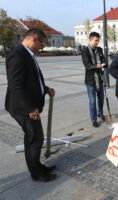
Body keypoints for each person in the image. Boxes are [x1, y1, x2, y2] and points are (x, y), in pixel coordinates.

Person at [5, 28, 56, 182]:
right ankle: (36, 173)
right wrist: (29, 108)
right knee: (34, 139)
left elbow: (32, 80)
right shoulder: (17, 55)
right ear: (35, 39)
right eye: (42, 45)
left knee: (35, 138)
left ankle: (38, 165)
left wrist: (45, 89)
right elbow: (16, 86)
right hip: (22, 108)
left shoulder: (27, 54)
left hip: (28, 105)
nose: (42, 48)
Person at [81, 32, 107, 128]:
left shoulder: (99, 50)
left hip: (100, 78)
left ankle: (100, 113)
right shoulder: (85, 51)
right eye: (96, 40)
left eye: (98, 40)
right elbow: (87, 65)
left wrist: (104, 64)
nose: (97, 42)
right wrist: (97, 66)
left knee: (101, 98)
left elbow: (104, 60)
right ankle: (94, 119)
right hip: (90, 80)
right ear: (90, 39)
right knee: (92, 101)